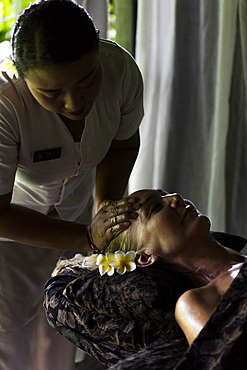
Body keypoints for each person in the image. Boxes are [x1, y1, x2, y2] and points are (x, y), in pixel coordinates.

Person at [0, 0, 143, 369]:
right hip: (12, 233)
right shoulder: (5, 104)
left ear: (97, 50)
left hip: (79, 211)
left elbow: (123, 143)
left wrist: (106, 211)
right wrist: (86, 239)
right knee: (8, 334)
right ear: (20, 73)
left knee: (65, 326)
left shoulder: (120, 70)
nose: (74, 102)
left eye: (86, 80)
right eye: (50, 94)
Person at [46, 189, 246, 366]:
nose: (175, 198)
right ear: (144, 257)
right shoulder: (197, 304)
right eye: (155, 208)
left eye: (165, 193)